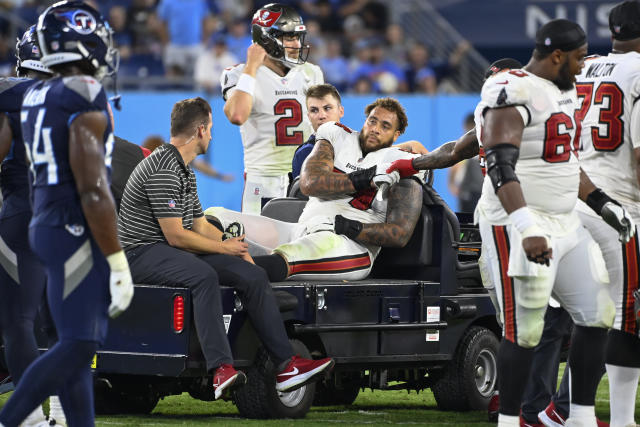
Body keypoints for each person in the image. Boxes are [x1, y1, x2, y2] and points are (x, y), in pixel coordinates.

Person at [392, 21, 633, 426]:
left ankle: (576, 416)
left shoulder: (562, 92)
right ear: (558, 56)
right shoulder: (509, 90)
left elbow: (564, 164)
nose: (582, 68)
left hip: (564, 219)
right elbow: (499, 165)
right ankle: (513, 416)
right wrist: (526, 226)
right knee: (525, 326)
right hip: (515, 221)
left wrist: (603, 203)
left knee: (596, 314)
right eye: (577, 59)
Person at [117, 97, 334, 400]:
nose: (212, 136)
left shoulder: (185, 170)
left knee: (251, 274)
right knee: (203, 275)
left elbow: (199, 224)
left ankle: (286, 366)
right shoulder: (164, 167)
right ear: (201, 130)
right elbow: (176, 236)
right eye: (212, 129)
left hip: (168, 251)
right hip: (140, 253)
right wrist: (222, 250)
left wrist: (232, 247)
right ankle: (220, 369)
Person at [0, 2, 135, 426]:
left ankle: (63, 420)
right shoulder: (79, 91)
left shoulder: (28, 92)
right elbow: (93, 185)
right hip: (68, 219)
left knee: (51, 331)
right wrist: (116, 258)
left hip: (33, 216)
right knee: (72, 338)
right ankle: (21, 417)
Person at [208, 97, 424, 282]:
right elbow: (309, 183)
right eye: (372, 121)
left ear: (397, 134)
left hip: (348, 245)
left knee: (295, 253)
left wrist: (352, 228)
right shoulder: (339, 138)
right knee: (214, 215)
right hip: (301, 230)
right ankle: (213, 262)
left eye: (385, 126)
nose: (375, 128)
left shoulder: (402, 163)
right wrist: (364, 178)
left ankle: (218, 270)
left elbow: (399, 234)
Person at [564, 2, 640, 426]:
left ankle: (576, 413)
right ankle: (619, 419)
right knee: (626, 316)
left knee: (588, 317)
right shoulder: (638, 73)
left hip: (573, 202)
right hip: (619, 211)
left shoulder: (585, 67)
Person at [0, 26, 67, 427]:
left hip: (22, 214)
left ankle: (27, 417)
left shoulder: (13, 98)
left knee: (18, 320)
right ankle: (62, 409)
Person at [221, 3, 324, 214]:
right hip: (263, 180)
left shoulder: (311, 73)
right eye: (289, 37)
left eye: (297, 37)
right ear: (266, 39)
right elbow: (237, 115)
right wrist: (251, 67)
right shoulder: (240, 74)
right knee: (259, 245)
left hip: (304, 176)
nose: (296, 44)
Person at [291, 83, 428, 182]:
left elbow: (366, 157)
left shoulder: (352, 143)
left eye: (327, 108)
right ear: (308, 116)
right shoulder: (307, 152)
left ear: (341, 111)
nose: (321, 115)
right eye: (314, 110)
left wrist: (402, 147)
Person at [447, 112, 483, 213]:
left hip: (479, 192)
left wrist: (452, 185)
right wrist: (452, 185)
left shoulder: (483, 145)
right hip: (468, 193)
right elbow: (453, 168)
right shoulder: (462, 146)